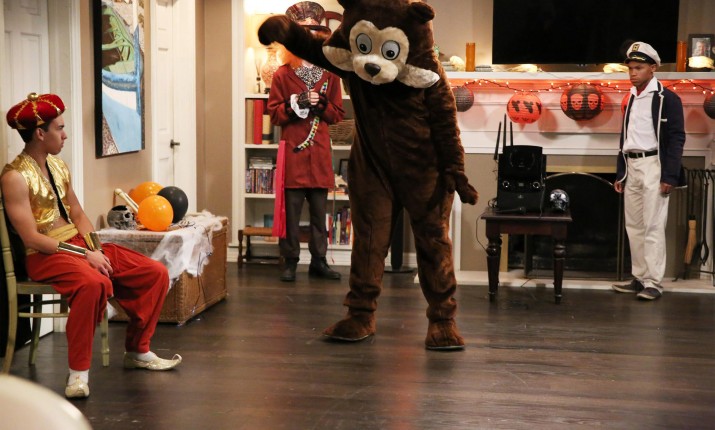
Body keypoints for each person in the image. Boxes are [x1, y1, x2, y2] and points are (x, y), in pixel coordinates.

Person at [2, 93, 182, 399]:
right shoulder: (14, 177)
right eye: (60, 128)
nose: (65, 134)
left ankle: (138, 350)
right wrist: (85, 255)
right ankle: (78, 374)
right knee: (92, 283)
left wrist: (95, 249)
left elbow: (78, 215)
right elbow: (31, 238)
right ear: (40, 134)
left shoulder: (59, 166)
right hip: (45, 254)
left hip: (78, 244)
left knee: (154, 272)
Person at [267, 1, 345, 282]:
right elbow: (275, 115)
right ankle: (290, 261)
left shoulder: (330, 74)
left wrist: (321, 104)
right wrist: (296, 103)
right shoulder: (282, 74)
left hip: (320, 153)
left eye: (312, 35)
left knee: (319, 215)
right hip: (294, 153)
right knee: (291, 214)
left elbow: (337, 114)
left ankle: (319, 261)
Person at [613, 42, 686, 300]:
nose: (633, 73)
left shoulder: (668, 98)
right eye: (630, 68)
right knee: (634, 225)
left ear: (653, 68)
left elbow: (676, 138)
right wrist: (621, 172)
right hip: (632, 165)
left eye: (639, 68)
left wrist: (670, 175)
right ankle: (639, 277)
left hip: (654, 165)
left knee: (653, 225)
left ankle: (653, 282)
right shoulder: (631, 97)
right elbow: (627, 137)